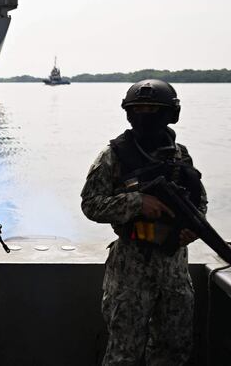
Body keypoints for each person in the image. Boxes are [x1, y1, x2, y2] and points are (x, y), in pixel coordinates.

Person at [81, 79, 207, 366]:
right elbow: (90, 205)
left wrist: (192, 230)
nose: (146, 115)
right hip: (130, 270)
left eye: (154, 109)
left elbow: (199, 203)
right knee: (123, 354)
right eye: (139, 109)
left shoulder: (181, 155)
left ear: (171, 115)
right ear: (128, 113)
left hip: (174, 269)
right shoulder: (113, 156)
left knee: (172, 351)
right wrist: (137, 202)